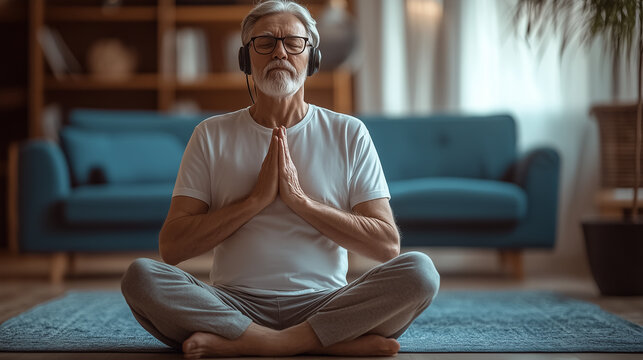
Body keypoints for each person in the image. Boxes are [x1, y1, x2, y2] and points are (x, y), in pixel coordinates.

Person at [121, 0, 440, 358]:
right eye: (265, 42)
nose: (280, 52)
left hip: (326, 303)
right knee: (141, 277)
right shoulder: (210, 134)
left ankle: (257, 344)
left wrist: (300, 202)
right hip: (233, 304)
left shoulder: (349, 133)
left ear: (312, 59)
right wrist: (254, 201)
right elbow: (172, 249)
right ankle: (325, 343)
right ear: (246, 59)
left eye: (293, 42)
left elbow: (386, 246)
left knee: (420, 272)